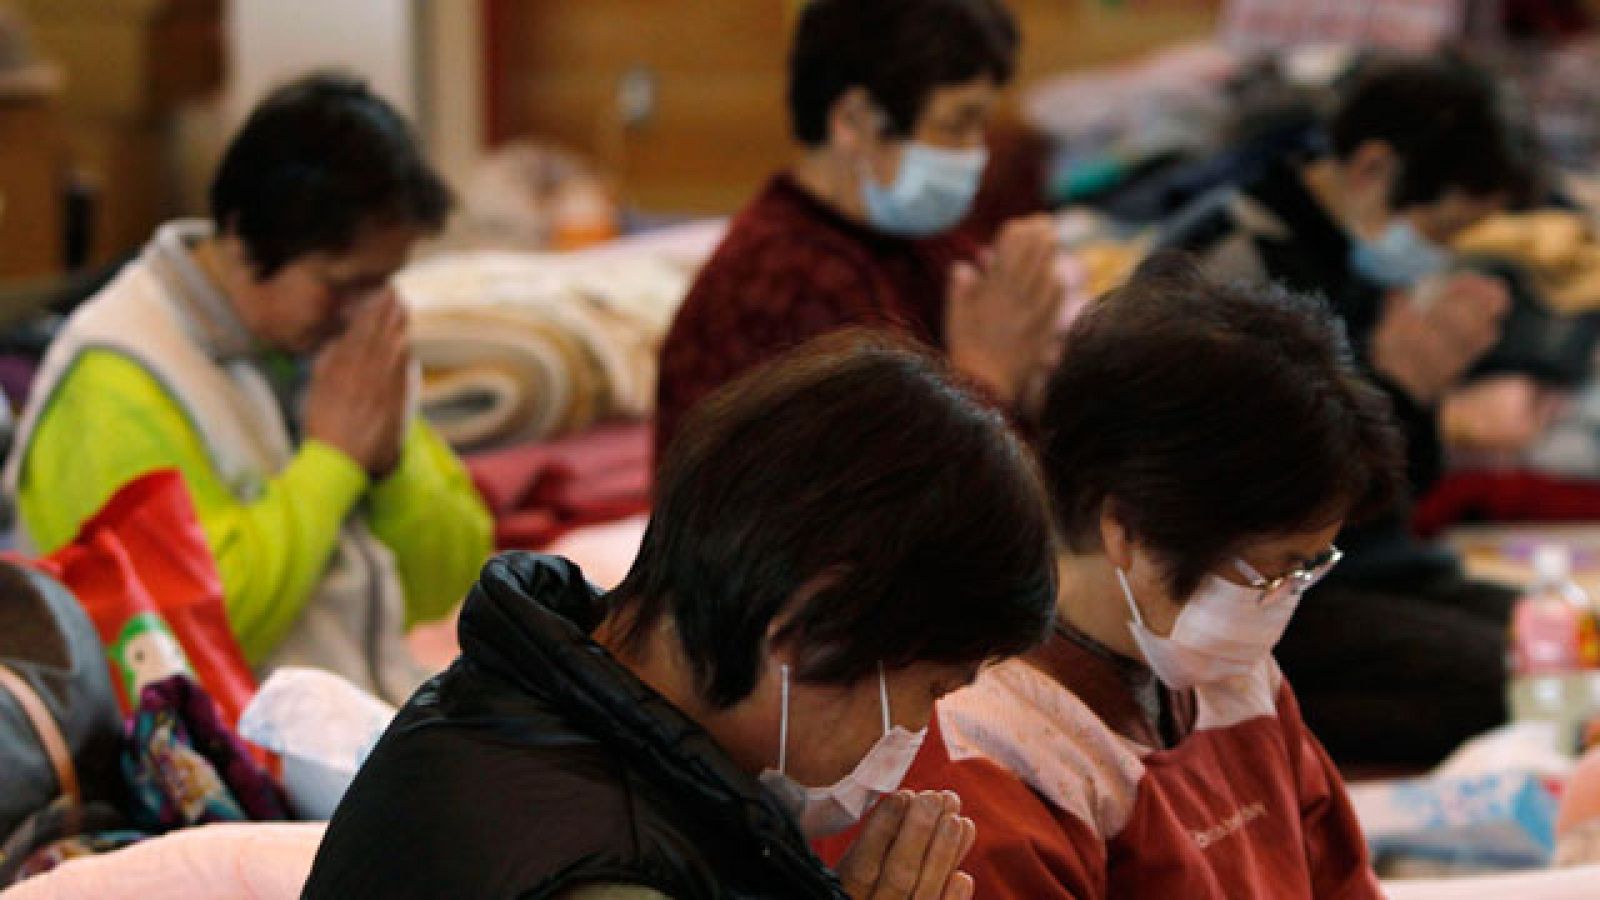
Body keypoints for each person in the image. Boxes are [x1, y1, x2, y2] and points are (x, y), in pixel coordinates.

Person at [302, 331, 1058, 899]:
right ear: (806, 629)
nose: (918, 734)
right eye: (928, 691)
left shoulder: (527, 698)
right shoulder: (602, 867)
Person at [815, 258, 1405, 898]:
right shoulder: (987, 764)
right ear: (1126, 528)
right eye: (1274, 570)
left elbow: (1341, 881)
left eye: (1308, 568)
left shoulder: (1227, 675)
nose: (1287, 595)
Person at [4, 73, 492, 704]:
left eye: (385, 282)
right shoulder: (118, 380)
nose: (364, 312)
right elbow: (184, 640)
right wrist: (335, 462)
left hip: (348, 730)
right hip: (191, 772)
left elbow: (446, 583)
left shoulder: (332, 347)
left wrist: (390, 464)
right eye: (340, 283)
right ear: (239, 237)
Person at [1159, 57, 1537, 765]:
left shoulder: (1350, 258)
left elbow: (1392, 501)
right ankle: (1239, 744)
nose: (1439, 255)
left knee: (1563, 645)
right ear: (1372, 168)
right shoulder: (1235, 264)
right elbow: (1254, 508)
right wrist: (1397, 388)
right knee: (1514, 683)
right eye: (1442, 229)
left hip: (1357, 566)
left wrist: (1415, 396)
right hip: (1256, 593)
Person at [654, 0, 1064, 457]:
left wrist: (1033, 379)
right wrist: (989, 378)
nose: (975, 154)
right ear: (854, 120)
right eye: (957, 125)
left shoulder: (921, 246)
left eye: (980, 125)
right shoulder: (786, 284)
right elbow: (885, 510)